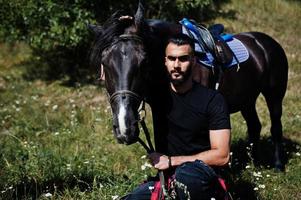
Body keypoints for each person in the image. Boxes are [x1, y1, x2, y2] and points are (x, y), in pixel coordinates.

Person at [122, 33, 231, 200]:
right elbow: (127, 70)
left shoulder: (213, 100)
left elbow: (222, 156)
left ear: (194, 61)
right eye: (172, 59)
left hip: (199, 176)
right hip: (166, 180)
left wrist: (171, 161)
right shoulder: (157, 95)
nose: (176, 65)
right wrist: (129, 29)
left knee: (185, 177)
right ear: (165, 61)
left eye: (183, 59)